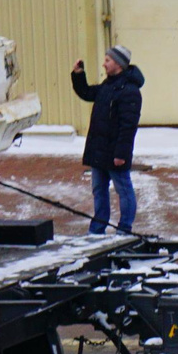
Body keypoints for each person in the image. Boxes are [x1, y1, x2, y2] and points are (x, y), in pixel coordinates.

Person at [70, 45, 144, 236]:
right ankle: (97, 228)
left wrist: (121, 154)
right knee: (99, 190)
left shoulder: (129, 91)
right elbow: (87, 93)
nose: (104, 64)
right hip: (99, 151)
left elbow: (128, 127)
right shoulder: (107, 85)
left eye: (107, 60)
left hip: (115, 153)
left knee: (123, 190)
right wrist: (78, 75)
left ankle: (124, 229)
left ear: (118, 64)